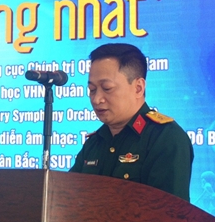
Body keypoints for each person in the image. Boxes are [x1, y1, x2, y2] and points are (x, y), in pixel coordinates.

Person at [69, 43, 193, 201]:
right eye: (92, 90)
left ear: (138, 88)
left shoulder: (166, 138)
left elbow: (170, 212)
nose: (96, 99)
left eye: (107, 88)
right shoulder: (95, 143)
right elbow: (68, 200)